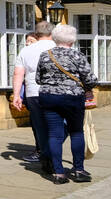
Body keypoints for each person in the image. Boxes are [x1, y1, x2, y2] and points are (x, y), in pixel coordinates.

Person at [34, 23, 97, 184]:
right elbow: (89, 79)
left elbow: (38, 79)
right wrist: (88, 87)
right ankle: (78, 170)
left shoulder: (45, 55)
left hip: (49, 97)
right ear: (72, 40)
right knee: (76, 132)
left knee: (54, 134)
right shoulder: (77, 55)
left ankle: (59, 173)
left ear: (55, 38)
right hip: (72, 98)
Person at [13, 21, 56, 172]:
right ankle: (51, 154)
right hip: (55, 92)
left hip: (33, 93)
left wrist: (16, 95)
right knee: (59, 126)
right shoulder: (58, 47)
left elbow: (18, 73)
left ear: (36, 34)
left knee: (40, 128)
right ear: (52, 33)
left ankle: (46, 155)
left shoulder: (26, 50)